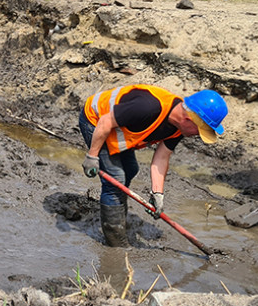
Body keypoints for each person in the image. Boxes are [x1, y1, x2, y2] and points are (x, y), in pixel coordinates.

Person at [79, 86, 227, 247]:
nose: (197, 136)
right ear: (189, 119)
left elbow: (162, 157)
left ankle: (117, 215)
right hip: (95, 120)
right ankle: (115, 241)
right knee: (115, 178)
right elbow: (105, 121)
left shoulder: (178, 129)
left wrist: (157, 193)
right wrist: (92, 156)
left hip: (118, 128)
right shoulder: (148, 107)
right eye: (199, 131)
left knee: (130, 170)